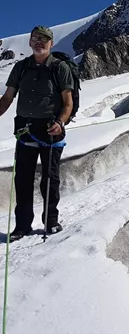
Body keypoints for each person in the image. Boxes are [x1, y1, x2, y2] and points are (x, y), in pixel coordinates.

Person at [0, 26, 74, 241]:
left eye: (44, 39)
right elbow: (7, 99)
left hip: (51, 129)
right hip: (25, 128)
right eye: (35, 39)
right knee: (22, 179)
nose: (39, 42)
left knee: (49, 179)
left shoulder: (59, 68)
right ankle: (22, 225)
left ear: (51, 44)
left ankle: (51, 221)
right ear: (30, 43)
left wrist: (60, 122)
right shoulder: (21, 68)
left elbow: (68, 103)